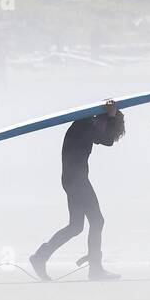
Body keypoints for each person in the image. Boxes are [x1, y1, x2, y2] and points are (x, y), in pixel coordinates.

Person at [30, 102, 125, 281]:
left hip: (73, 179)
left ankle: (40, 257)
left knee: (76, 226)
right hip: (76, 180)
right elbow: (107, 140)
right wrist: (112, 117)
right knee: (97, 221)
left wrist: (109, 117)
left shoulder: (86, 126)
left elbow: (105, 138)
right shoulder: (84, 127)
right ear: (100, 121)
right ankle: (95, 268)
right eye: (105, 125)